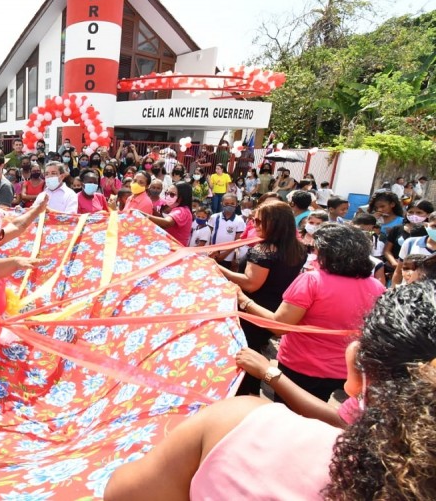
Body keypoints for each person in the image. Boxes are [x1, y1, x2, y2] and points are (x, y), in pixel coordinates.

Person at [106, 280, 436, 501]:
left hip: (297, 370)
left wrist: (270, 372)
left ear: (356, 363)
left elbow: (123, 492)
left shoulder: (242, 425)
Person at [239, 223, 386, 402]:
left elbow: (279, 326)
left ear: (327, 253)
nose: (314, 255)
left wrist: (244, 301)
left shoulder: (312, 281)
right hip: (346, 370)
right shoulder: (376, 286)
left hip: (302, 368)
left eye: (316, 250)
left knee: (292, 420)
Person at [220, 201, 307, 395]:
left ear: (274, 223)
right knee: (253, 350)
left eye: (259, 222)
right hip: (275, 308)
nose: (254, 225)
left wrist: (217, 268)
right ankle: (251, 391)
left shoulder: (264, 250)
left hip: (253, 309)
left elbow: (251, 283)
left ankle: (245, 395)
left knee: (245, 353)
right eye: (253, 220)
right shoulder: (297, 248)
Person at [383, 199, 433, 269]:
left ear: (428, 214)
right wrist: (394, 263)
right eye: (411, 212)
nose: (414, 215)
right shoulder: (397, 229)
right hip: (394, 268)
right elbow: (387, 250)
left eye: (419, 212)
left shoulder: (431, 232)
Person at [207, 193, 245, 267]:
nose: (229, 206)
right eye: (226, 203)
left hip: (227, 256)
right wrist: (210, 250)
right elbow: (208, 235)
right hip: (212, 253)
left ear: (236, 204)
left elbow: (237, 241)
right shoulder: (214, 217)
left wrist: (225, 254)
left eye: (232, 203)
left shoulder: (239, 220)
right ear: (222, 204)